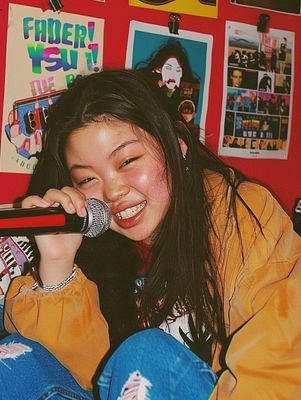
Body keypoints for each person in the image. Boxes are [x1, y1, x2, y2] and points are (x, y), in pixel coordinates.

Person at [1, 69, 301, 399]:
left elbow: (282, 353)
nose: (112, 192)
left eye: (128, 160)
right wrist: (57, 265)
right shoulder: (99, 243)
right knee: (14, 359)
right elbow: (86, 378)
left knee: (143, 354)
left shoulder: (239, 215)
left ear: (179, 147)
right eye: (87, 180)